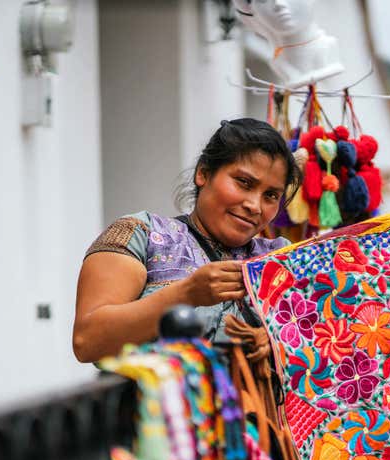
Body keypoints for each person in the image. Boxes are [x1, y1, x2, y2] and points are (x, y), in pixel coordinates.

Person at [72, 118, 301, 363]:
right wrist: (187, 294)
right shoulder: (140, 234)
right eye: (243, 183)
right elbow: (87, 341)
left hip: (256, 402)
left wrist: (280, 342)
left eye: (271, 195)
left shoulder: (281, 260)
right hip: (156, 401)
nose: (254, 205)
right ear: (203, 173)